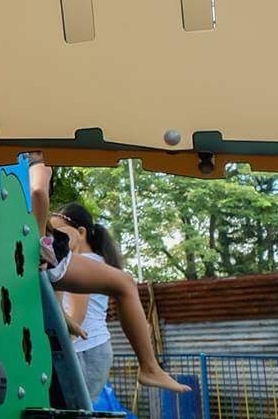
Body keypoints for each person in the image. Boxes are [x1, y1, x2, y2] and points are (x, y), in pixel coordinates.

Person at [29, 161, 188, 395]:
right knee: (124, 284)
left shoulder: (86, 260)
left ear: (81, 232)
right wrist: (40, 240)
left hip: (90, 346)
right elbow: (38, 191)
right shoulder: (37, 159)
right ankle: (149, 366)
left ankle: (150, 367)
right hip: (89, 347)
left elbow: (56, 283)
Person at [51, 204, 163, 419]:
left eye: (59, 231)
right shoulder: (95, 261)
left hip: (84, 351)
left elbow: (79, 315)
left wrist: (60, 342)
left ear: (81, 232)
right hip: (94, 350)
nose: (54, 238)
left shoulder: (83, 262)